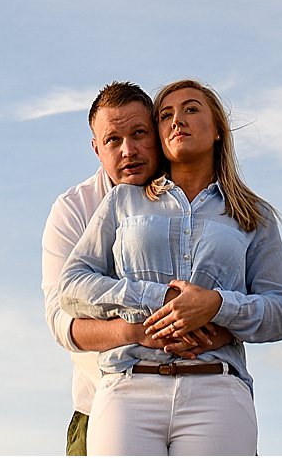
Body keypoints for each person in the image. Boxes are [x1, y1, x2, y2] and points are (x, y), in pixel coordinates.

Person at [61, 79, 282, 456]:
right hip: (129, 385)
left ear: (218, 128)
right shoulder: (124, 200)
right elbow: (73, 287)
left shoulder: (253, 216)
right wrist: (158, 299)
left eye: (191, 109)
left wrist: (218, 306)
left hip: (216, 387)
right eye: (166, 115)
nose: (177, 121)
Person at [43, 83, 235, 455]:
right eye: (112, 140)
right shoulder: (73, 210)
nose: (128, 150)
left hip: (206, 396)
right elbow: (63, 321)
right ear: (96, 148)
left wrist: (220, 323)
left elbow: (233, 294)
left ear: (157, 135)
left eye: (139, 134)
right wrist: (141, 332)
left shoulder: (202, 201)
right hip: (101, 403)